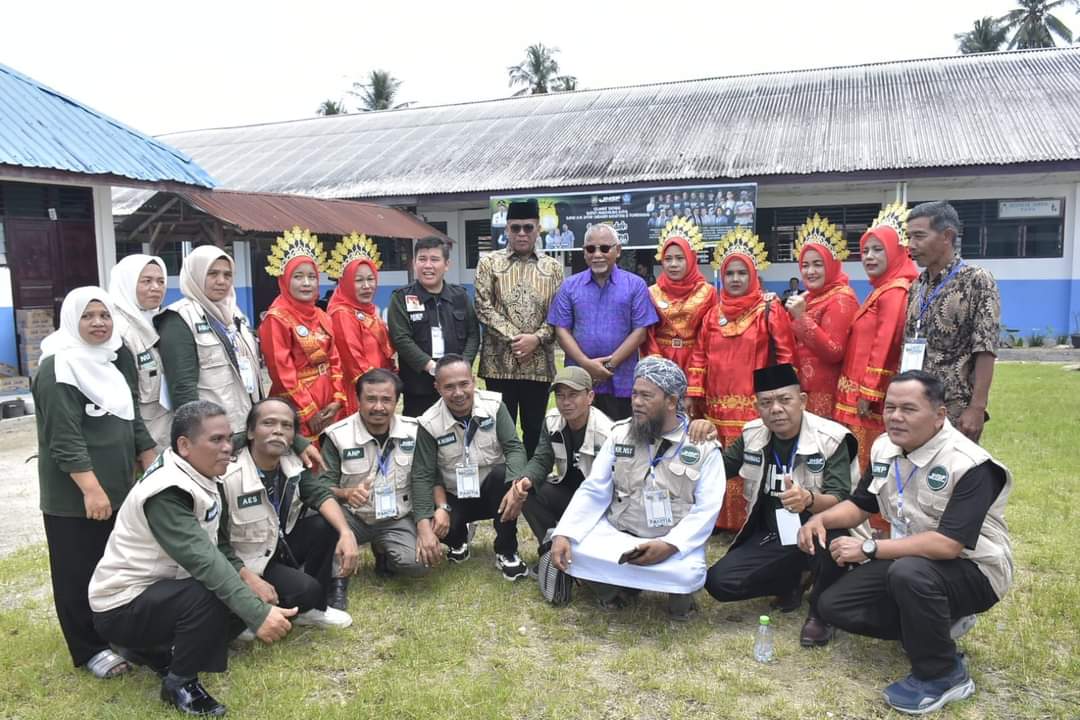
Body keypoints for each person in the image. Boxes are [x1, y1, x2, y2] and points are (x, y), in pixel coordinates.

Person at [802, 371, 1013, 715]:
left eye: (909, 409)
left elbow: (948, 546)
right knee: (833, 607)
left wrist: (870, 548)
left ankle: (943, 673)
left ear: (940, 415)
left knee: (910, 575)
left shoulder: (971, 464)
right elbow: (860, 506)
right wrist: (819, 519)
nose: (895, 417)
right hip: (911, 557)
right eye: (890, 407)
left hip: (975, 570)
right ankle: (933, 625)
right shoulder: (886, 447)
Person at [89, 401, 301, 717]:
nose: (229, 447)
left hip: (160, 591)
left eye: (230, 438)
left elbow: (219, 544)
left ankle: (152, 650)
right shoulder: (168, 490)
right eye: (217, 440)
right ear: (184, 445)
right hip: (122, 605)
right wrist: (257, 614)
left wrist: (249, 579)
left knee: (237, 591)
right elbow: (204, 560)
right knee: (213, 593)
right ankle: (180, 683)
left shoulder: (199, 472)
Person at [32, 287, 157, 680]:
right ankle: (87, 648)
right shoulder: (57, 367)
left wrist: (151, 462)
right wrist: (91, 489)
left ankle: (114, 631)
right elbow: (64, 438)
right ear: (71, 320)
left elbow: (132, 415)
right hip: (75, 495)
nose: (99, 323)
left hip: (119, 485)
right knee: (77, 570)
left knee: (115, 564)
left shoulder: (114, 359)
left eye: (104, 315)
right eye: (88, 316)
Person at [700, 364, 863, 647]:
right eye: (766, 403)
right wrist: (704, 441)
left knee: (834, 541)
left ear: (802, 401)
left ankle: (821, 613)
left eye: (785, 400)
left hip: (821, 529)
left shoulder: (832, 437)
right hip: (775, 536)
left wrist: (809, 500)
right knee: (719, 582)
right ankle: (792, 581)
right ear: (758, 407)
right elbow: (717, 470)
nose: (776, 409)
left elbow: (840, 497)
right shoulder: (752, 434)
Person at [549, 357, 724, 620]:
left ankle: (670, 598)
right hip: (620, 534)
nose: (637, 402)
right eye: (634, 394)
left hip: (669, 541)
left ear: (671, 402)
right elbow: (594, 490)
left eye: (646, 396)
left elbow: (707, 509)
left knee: (689, 573)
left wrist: (669, 544)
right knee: (574, 549)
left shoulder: (701, 447)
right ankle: (615, 592)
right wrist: (565, 533)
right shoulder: (620, 435)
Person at [157, 246, 323, 470]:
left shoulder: (235, 316)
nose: (221, 281)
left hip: (246, 434)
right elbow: (183, 393)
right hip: (214, 442)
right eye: (212, 274)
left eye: (227, 275)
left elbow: (253, 383)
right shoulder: (179, 319)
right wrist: (205, 442)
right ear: (195, 274)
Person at [687, 228, 797, 531]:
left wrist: (785, 398)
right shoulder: (712, 315)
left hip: (754, 403)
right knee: (718, 459)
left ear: (752, 275)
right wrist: (694, 392)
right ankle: (720, 521)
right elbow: (699, 354)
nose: (735, 279)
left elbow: (786, 354)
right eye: (729, 273)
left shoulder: (768, 309)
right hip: (717, 404)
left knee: (750, 459)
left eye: (741, 273)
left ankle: (749, 521)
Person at [221, 398, 359, 621]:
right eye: (268, 423)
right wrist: (245, 576)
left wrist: (346, 532)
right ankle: (244, 612)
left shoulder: (291, 464)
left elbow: (320, 494)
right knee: (305, 591)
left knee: (325, 524)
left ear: (294, 437)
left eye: (286, 426)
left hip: (276, 547)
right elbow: (215, 544)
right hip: (244, 560)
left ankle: (315, 610)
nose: (278, 431)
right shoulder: (227, 474)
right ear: (249, 432)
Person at [410, 355, 529, 580]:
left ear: (473, 381)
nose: (458, 393)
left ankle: (507, 551)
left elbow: (514, 448)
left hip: (494, 492)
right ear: (437, 388)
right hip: (455, 495)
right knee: (438, 521)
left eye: (464, 384)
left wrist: (515, 485)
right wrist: (434, 514)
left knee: (503, 475)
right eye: (449, 387)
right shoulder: (429, 423)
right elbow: (423, 475)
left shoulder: (494, 406)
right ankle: (458, 538)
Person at [321, 368, 431, 581]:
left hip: (396, 517)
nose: (378, 407)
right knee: (322, 545)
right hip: (353, 517)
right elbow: (321, 487)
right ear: (358, 399)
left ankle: (383, 551)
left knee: (418, 564)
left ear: (396, 401)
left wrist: (424, 524)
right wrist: (346, 493)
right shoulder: (337, 435)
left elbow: (426, 479)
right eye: (370, 399)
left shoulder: (415, 431)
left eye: (386, 400)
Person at [474, 199, 565, 457]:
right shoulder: (489, 264)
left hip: (538, 366)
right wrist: (518, 339)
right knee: (497, 432)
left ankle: (530, 486)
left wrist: (536, 339)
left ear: (538, 229)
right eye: (515, 228)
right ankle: (501, 484)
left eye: (528, 227)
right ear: (506, 230)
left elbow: (559, 314)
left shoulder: (553, 268)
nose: (522, 234)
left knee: (535, 430)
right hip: (498, 365)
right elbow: (483, 307)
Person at [904, 201, 1001, 442]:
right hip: (914, 404)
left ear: (947, 236)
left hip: (954, 408)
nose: (911, 246)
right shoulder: (917, 286)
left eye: (919, 236)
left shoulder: (977, 280)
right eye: (909, 237)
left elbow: (985, 347)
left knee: (950, 476)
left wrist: (977, 407)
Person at [834, 214, 919, 475]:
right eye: (865, 251)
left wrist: (869, 393)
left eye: (878, 249)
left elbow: (886, 343)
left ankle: (870, 516)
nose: (869, 256)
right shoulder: (881, 289)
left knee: (866, 467)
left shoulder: (895, 291)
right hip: (855, 393)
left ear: (896, 252)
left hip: (868, 400)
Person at [548, 224, 658, 420]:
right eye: (591, 249)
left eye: (604, 248)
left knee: (621, 439)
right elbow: (561, 330)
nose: (597, 254)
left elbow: (640, 331)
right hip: (579, 380)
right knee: (580, 439)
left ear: (618, 251)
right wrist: (586, 364)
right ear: (584, 252)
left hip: (622, 379)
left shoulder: (635, 285)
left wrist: (609, 366)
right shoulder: (569, 286)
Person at [498, 366, 614, 550]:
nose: (566, 402)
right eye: (560, 395)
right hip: (568, 493)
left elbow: (613, 488)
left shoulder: (607, 434)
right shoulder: (552, 420)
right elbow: (542, 459)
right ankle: (548, 547)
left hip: (599, 504)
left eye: (573, 395)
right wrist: (523, 481)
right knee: (526, 489)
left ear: (590, 397)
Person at [258, 228, 348, 442]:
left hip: (328, 404)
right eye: (298, 277)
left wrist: (337, 398)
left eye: (311, 277)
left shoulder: (321, 315)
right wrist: (309, 410)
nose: (306, 283)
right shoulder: (276, 319)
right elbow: (282, 373)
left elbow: (334, 359)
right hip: (297, 407)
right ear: (285, 280)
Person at [388, 236, 480, 417]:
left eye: (435, 260)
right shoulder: (401, 298)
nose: (428, 265)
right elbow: (401, 338)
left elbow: (473, 334)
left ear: (446, 265)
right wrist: (432, 368)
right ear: (414, 263)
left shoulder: (460, 296)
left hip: (457, 389)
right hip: (419, 388)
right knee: (420, 437)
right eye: (422, 259)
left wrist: (460, 368)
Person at [785, 215, 859, 417]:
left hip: (824, 394)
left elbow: (834, 351)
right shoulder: (807, 297)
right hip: (800, 390)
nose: (810, 271)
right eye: (805, 265)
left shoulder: (842, 298)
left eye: (818, 264)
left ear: (831, 264)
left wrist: (801, 318)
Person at [326, 233, 396, 415]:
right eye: (358, 280)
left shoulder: (368, 310)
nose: (367, 286)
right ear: (346, 282)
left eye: (370, 279)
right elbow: (353, 360)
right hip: (361, 391)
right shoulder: (342, 313)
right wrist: (378, 387)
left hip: (379, 387)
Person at [108, 253, 172, 451]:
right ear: (127, 283)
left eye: (161, 281)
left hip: (166, 437)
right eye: (146, 281)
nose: (156, 287)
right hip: (142, 444)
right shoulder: (117, 331)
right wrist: (142, 447)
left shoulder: (163, 320)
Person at [643, 228, 718, 370]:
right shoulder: (651, 292)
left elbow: (712, 333)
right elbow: (648, 334)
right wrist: (656, 365)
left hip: (696, 360)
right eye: (668, 259)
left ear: (691, 259)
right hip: (660, 359)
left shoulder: (708, 292)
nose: (673, 264)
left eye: (680, 258)